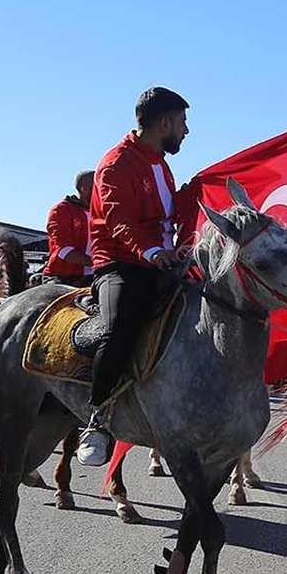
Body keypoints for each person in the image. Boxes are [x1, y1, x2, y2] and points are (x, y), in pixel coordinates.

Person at [77, 86, 199, 467]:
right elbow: (117, 220)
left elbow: (170, 212)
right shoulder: (116, 163)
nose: (186, 131)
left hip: (162, 262)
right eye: (182, 123)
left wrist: (201, 188)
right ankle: (97, 419)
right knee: (119, 327)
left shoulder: (160, 163)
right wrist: (151, 251)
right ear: (164, 123)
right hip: (121, 265)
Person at [42, 170, 95, 287]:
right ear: (85, 189)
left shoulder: (102, 212)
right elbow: (64, 251)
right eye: (100, 186)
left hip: (94, 276)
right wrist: (98, 262)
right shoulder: (61, 210)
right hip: (62, 277)